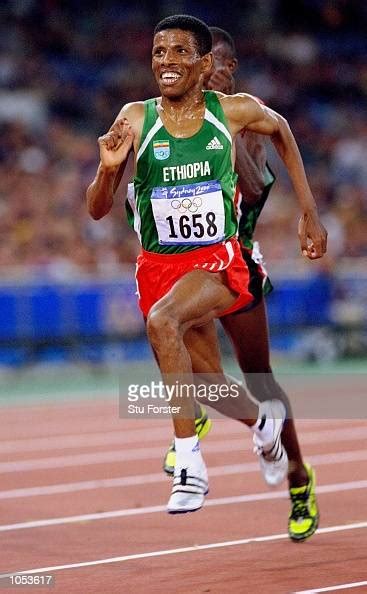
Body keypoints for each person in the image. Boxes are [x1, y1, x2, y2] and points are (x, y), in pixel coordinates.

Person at [87, 15, 327, 516]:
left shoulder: (235, 117)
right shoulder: (135, 118)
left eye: (183, 54)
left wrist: (308, 212)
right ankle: (261, 423)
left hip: (226, 259)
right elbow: (96, 206)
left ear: (210, 64)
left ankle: (236, 468)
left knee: (237, 361)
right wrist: (109, 174)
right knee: (205, 381)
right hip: (161, 268)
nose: (168, 62)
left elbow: (273, 143)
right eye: (159, 53)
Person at [162, 26, 322, 541]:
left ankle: (298, 474)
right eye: (216, 66)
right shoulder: (169, 120)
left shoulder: (244, 126)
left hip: (236, 265)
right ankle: (199, 425)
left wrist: (308, 212)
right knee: (185, 353)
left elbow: (254, 177)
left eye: (229, 67)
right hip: (185, 269)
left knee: (260, 377)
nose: (222, 75)